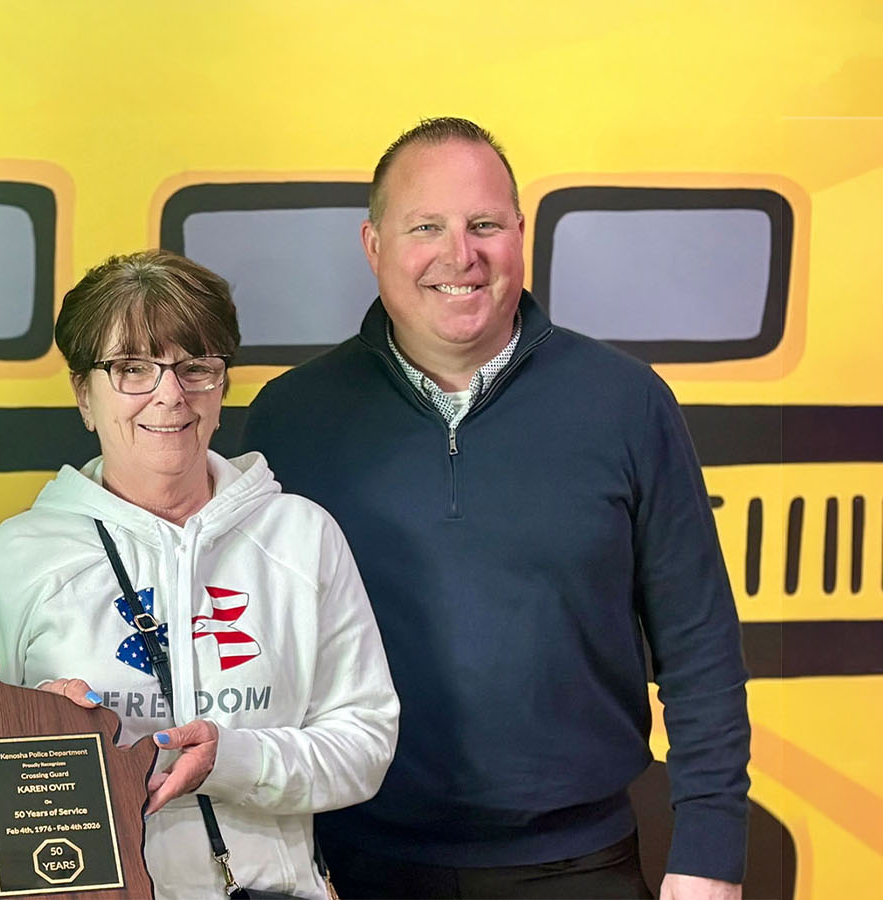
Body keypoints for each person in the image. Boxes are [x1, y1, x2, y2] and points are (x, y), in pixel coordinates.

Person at [242, 117, 751, 900]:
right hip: (348, 864)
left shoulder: (627, 403)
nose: (460, 255)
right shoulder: (291, 419)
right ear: (374, 246)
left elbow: (700, 643)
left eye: (484, 225)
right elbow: (243, 639)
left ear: (522, 235)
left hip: (581, 865)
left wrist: (711, 848)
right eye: (426, 227)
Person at [0, 250, 400, 899]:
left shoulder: (301, 536)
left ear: (222, 384)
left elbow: (365, 740)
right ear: (83, 394)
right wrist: (34, 741)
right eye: (132, 368)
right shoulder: (14, 560)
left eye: (195, 367)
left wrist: (232, 761)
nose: (169, 394)